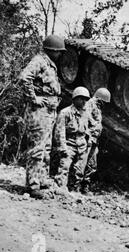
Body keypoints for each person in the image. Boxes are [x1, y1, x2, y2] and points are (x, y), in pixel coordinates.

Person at [18, 35, 66, 199]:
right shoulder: (39, 60)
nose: (60, 54)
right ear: (52, 50)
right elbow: (24, 78)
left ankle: (42, 180)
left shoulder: (49, 64)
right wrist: (34, 98)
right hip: (39, 111)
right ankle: (33, 185)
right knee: (37, 148)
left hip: (48, 111)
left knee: (46, 148)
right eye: (59, 51)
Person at [54, 86, 91, 193]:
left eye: (85, 99)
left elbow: (88, 129)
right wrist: (62, 147)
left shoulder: (86, 113)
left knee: (79, 170)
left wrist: (88, 142)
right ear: (75, 99)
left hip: (82, 145)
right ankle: (60, 189)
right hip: (69, 144)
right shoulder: (65, 113)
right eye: (81, 98)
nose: (84, 101)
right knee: (64, 167)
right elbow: (59, 131)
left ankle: (75, 190)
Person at [82, 88, 111, 194]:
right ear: (99, 99)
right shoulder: (89, 105)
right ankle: (75, 186)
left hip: (94, 140)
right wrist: (88, 136)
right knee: (82, 163)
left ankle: (85, 186)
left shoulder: (97, 107)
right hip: (88, 139)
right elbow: (85, 120)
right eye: (103, 102)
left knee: (92, 164)